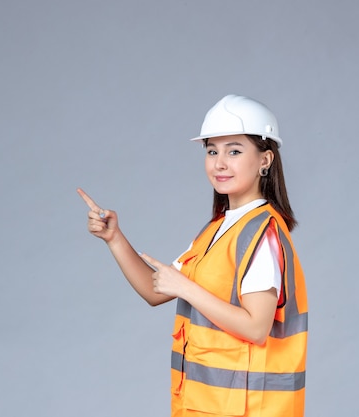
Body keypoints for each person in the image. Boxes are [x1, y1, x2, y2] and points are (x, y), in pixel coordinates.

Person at [77, 94, 308, 417]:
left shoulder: (261, 234)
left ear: (265, 160)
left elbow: (256, 328)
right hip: (204, 406)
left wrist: (185, 288)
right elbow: (154, 290)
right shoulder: (216, 231)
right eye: (212, 151)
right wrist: (114, 238)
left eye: (235, 151)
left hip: (248, 409)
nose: (220, 163)